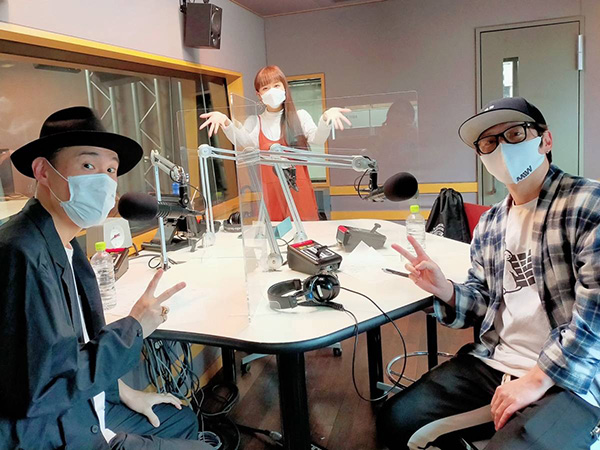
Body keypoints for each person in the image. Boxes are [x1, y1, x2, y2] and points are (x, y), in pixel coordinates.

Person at [377, 97, 600, 449]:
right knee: (395, 422)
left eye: (514, 134)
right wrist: (447, 290)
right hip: (496, 362)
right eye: (488, 142)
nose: (501, 148)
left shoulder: (588, 204)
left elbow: (594, 319)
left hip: (573, 378)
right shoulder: (491, 223)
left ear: (545, 140)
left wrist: (537, 379)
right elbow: (484, 302)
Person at [0, 106, 210, 449]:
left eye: (111, 169)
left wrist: (124, 392)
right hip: (56, 432)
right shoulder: (21, 254)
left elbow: (75, 348)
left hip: (87, 406)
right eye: (88, 165)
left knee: (182, 419)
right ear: (43, 171)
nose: (104, 180)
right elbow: (46, 385)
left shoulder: (68, 245)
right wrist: (134, 327)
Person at [199, 65, 352, 221]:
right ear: (259, 95)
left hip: (299, 190)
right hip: (271, 193)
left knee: (305, 231)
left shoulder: (300, 116)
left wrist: (325, 119)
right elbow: (242, 141)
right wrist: (225, 121)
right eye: (265, 88)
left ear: (284, 88)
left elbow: (318, 139)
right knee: (275, 232)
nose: (272, 91)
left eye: (276, 86)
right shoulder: (255, 122)